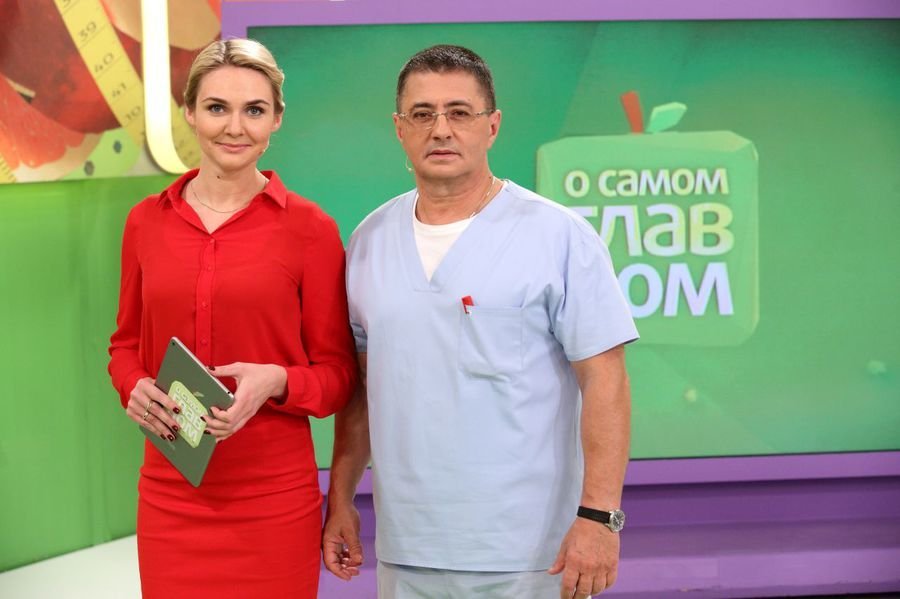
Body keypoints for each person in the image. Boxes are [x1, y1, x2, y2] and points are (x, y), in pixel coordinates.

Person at [323, 45, 638, 599]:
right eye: (422, 114)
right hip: (407, 549)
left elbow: (605, 381)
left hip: (531, 554)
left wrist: (600, 516)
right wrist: (341, 498)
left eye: (459, 112)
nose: (440, 129)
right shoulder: (370, 240)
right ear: (399, 129)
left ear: (492, 126)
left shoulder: (557, 236)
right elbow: (364, 390)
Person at [108, 38, 357, 598]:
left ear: (277, 119)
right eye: (217, 107)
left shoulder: (310, 230)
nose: (235, 127)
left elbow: (339, 377)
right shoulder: (145, 223)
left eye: (255, 110)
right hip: (171, 494)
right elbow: (124, 345)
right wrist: (133, 385)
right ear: (190, 112)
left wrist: (277, 380)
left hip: (272, 499)